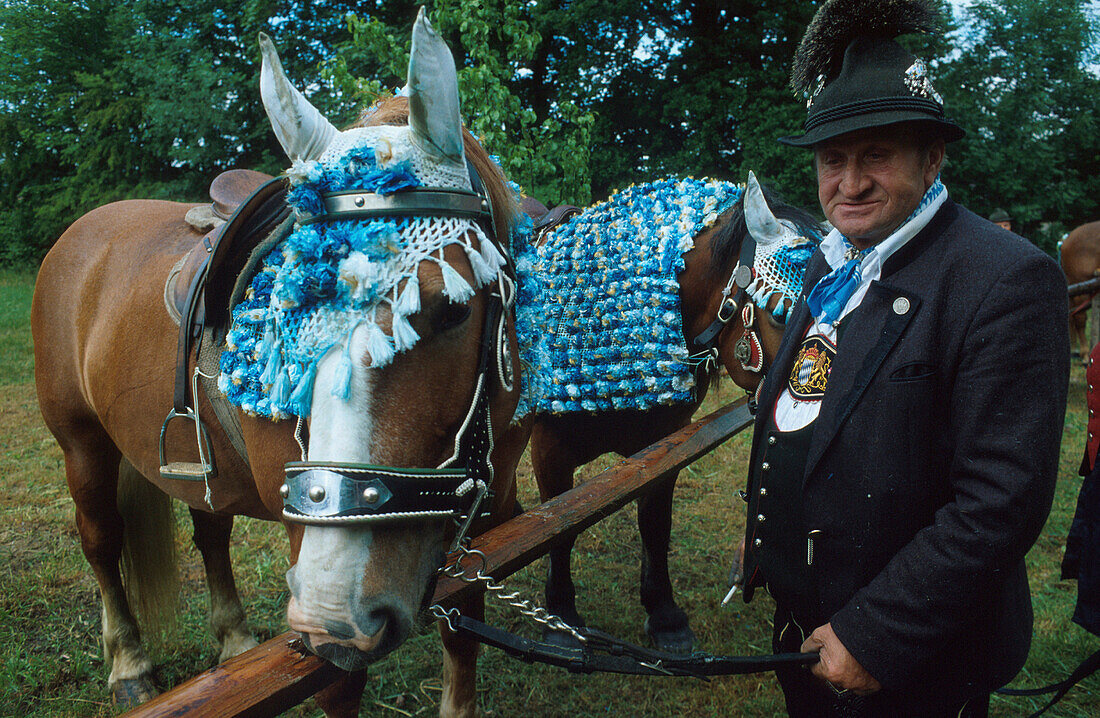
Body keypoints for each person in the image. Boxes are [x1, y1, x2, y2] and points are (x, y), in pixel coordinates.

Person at [734, 0, 1070, 715]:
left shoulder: (1004, 278)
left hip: (910, 659)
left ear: (933, 158)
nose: (849, 185)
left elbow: (999, 501)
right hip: (805, 636)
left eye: (876, 156)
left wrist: (879, 633)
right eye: (833, 160)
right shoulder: (829, 267)